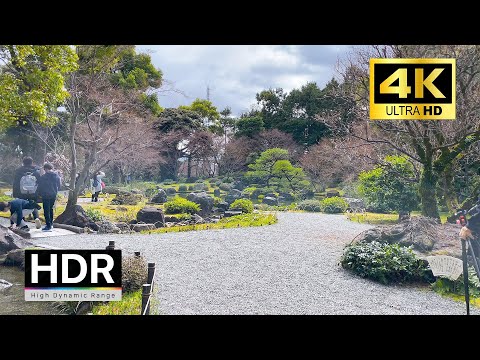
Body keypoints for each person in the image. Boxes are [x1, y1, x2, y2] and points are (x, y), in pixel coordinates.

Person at [12, 157, 41, 228]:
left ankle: (23, 222)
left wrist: (15, 194)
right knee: (33, 205)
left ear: (23, 162)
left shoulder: (18, 171)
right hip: (33, 192)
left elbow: (15, 184)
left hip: (21, 193)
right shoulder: (36, 172)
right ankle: (36, 218)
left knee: (22, 207)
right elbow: (39, 183)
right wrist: (38, 193)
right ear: (32, 162)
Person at [36, 162, 61, 232]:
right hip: (53, 194)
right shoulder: (56, 176)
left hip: (45, 195)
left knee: (46, 210)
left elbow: (40, 186)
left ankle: (48, 225)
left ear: (45, 169)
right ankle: (51, 223)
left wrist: (39, 194)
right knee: (51, 209)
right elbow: (59, 186)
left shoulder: (43, 177)